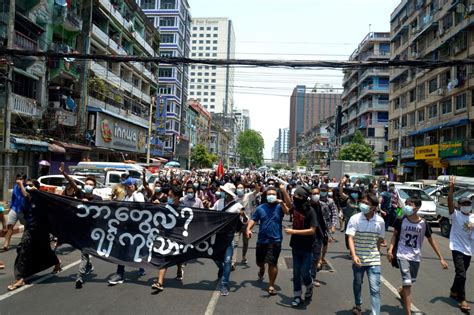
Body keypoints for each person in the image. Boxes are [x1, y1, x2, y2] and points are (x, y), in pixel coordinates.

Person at [387, 198, 448, 315]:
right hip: (402, 254)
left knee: (410, 282)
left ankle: (401, 291)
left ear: (418, 207)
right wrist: (390, 250)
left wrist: (441, 257)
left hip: (415, 257)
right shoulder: (401, 219)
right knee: (408, 282)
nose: (407, 207)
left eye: (410, 205)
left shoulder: (423, 224)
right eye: (406, 204)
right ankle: (408, 312)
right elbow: (394, 235)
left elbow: (431, 240)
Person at [7, 179, 62, 291]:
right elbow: (25, 194)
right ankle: (20, 278)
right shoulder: (27, 199)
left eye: (31, 186)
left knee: (44, 249)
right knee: (22, 250)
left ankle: (56, 263)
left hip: (42, 230)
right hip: (29, 230)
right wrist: (22, 185)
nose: (28, 187)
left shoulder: (42, 199)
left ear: (37, 188)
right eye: (27, 186)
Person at [346, 193, 385, 315]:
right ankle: (358, 305)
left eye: (367, 203)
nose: (363, 204)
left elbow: (379, 240)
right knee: (357, 283)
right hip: (358, 259)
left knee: (375, 289)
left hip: (374, 259)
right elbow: (350, 238)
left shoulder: (380, 221)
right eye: (362, 202)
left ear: (374, 207)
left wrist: (377, 254)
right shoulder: (355, 218)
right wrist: (354, 255)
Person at [246, 186, 290, 296]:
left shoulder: (280, 207)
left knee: (272, 263)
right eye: (269, 194)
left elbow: (288, 212)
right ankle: (261, 268)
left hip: (275, 240)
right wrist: (248, 229)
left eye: (273, 194)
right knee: (259, 262)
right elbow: (253, 220)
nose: (271, 196)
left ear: (276, 196)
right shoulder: (260, 208)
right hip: (262, 240)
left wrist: (281, 202)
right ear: (265, 196)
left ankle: (271, 285)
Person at [209, 183, 246, 296]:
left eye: (224, 191)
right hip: (218, 236)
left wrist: (242, 215)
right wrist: (207, 207)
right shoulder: (218, 202)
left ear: (229, 194)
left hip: (230, 237)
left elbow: (245, 220)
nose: (222, 193)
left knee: (228, 260)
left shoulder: (237, 206)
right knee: (215, 258)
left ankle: (224, 284)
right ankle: (221, 268)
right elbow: (212, 212)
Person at [108, 177, 146, 285]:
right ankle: (120, 273)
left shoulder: (138, 195)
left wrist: (135, 193)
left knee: (136, 249)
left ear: (134, 186)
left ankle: (141, 266)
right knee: (122, 250)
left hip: (136, 228)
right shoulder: (125, 197)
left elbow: (141, 206)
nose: (127, 187)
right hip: (125, 228)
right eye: (126, 185)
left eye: (129, 185)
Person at [285, 186, 317, 307]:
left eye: (297, 196)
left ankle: (309, 285)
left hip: (308, 247)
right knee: (296, 272)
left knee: (305, 272)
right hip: (296, 246)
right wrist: (283, 191)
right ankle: (297, 295)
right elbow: (289, 205)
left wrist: (293, 231)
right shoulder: (296, 208)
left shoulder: (310, 211)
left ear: (303, 198)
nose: (295, 198)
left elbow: (312, 230)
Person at [447, 176, 473, 313]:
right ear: (459, 206)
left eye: (468, 203)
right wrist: (451, 189)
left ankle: (453, 291)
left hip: (469, 250)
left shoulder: (473, 217)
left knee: (460, 274)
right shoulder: (455, 215)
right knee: (462, 274)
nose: (467, 206)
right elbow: (449, 201)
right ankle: (462, 300)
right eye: (464, 204)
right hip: (457, 248)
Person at [152, 185, 185, 292]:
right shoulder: (166, 205)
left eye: (170, 195)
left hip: (178, 236)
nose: (168, 197)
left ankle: (179, 269)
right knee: (164, 256)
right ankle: (160, 282)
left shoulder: (183, 208)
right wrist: (157, 205)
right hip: (166, 235)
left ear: (176, 197)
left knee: (177, 256)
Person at [231, 182, 259, 269]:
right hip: (237, 223)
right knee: (235, 243)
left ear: (244, 189)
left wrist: (256, 182)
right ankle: (233, 262)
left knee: (245, 242)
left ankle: (243, 256)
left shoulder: (248, 195)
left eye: (241, 188)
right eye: (238, 188)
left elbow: (257, 190)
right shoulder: (234, 198)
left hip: (247, 223)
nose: (240, 190)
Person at [3, 174, 26, 251]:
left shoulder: (27, 187)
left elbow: (25, 195)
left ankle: (25, 243)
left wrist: (21, 185)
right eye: (18, 179)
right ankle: (6, 244)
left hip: (24, 211)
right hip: (14, 209)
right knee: (10, 226)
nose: (18, 180)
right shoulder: (15, 187)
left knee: (27, 228)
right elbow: (13, 197)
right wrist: (10, 207)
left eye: (21, 179)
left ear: (24, 180)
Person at [309, 187, 327, 287]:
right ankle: (305, 276)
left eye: (317, 193)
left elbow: (326, 219)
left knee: (316, 258)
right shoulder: (306, 206)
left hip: (319, 235)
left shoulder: (323, 205)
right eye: (313, 193)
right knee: (307, 257)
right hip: (307, 235)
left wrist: (327, 232)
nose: (316, 195)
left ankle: (312, 277)